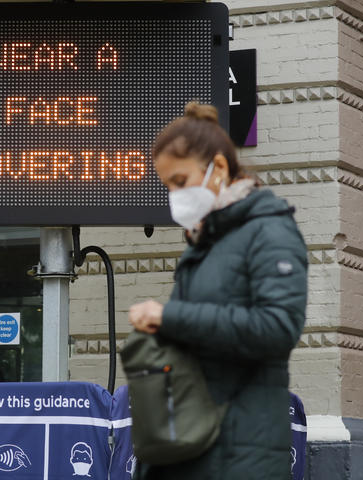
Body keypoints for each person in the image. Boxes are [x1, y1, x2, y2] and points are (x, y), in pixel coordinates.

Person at [127, 102, 308, 479]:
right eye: (166, 186)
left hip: (240, 455)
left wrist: (168, 317)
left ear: (219, 169)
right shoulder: (204, 241)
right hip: (193, 445)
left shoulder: (269, 231)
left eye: (180, 181)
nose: (174, 196)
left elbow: (277, 329)